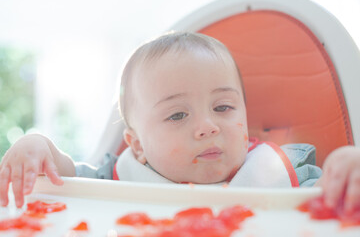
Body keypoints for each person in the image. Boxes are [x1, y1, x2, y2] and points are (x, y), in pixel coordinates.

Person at [0, 32, 359, 214]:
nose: (207, 127)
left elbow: (333, 200)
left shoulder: (283, 174)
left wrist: (347, 172)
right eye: (177, 115)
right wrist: (41, 150)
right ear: (137, 145)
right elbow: (70, 179)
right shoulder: (122, 177)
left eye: (223, 107)